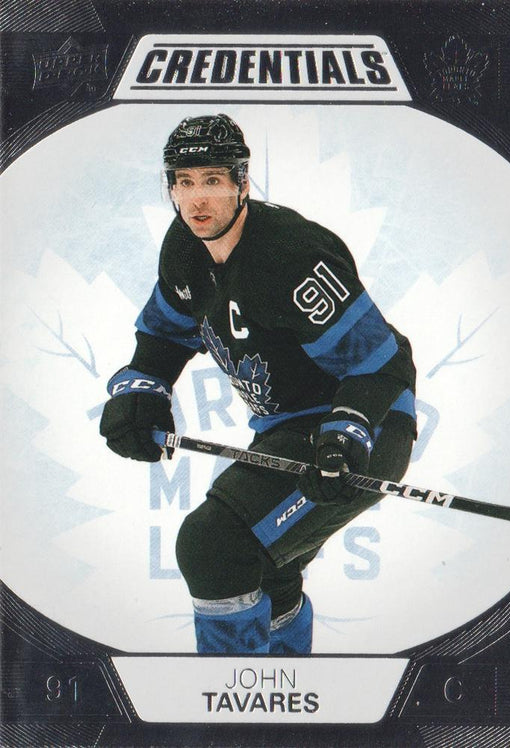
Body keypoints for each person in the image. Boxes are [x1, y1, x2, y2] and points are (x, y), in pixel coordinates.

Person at [100, 113, 417, 654]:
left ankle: (229, 691)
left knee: (214, 546)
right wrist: (142, 392)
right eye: (184, 182)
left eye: (213, 180)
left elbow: (382, 365)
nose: (197, 199)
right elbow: (165, 334)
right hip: (285, 430)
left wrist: (346, 435)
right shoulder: (184, 249)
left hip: (369, 423)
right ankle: (280, 687)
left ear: (243, 183)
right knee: (267, 570)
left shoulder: (291, 255)